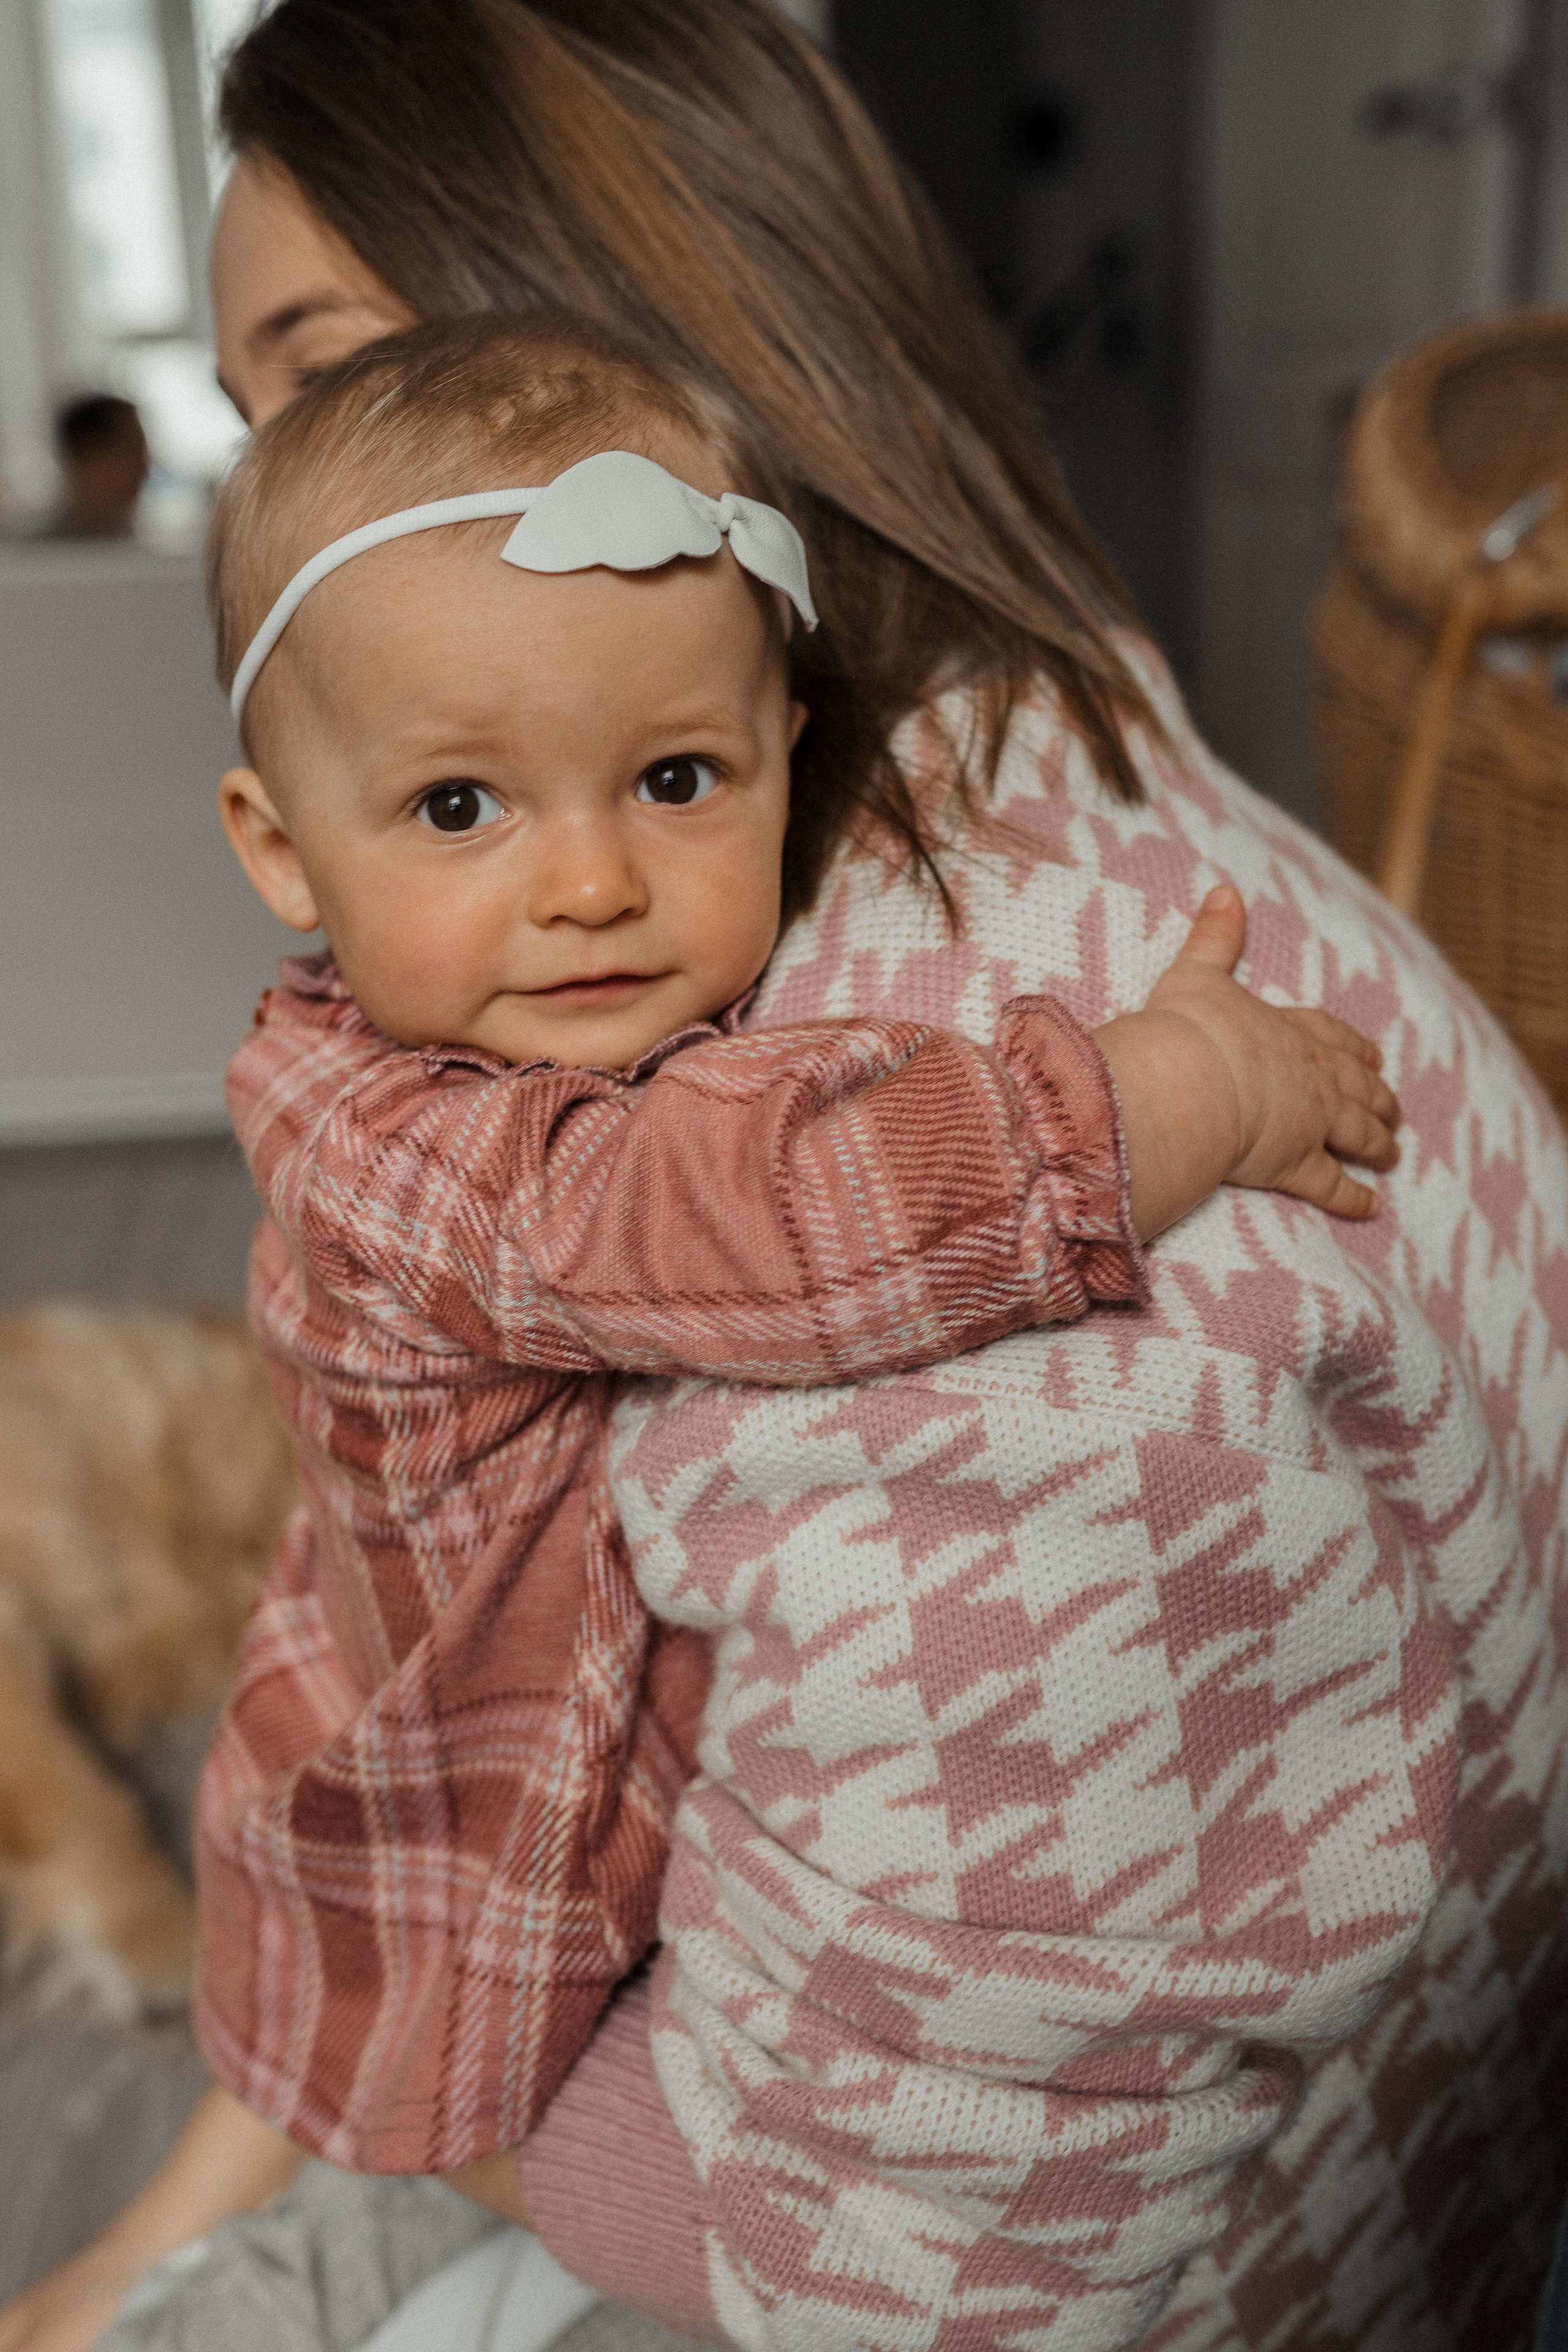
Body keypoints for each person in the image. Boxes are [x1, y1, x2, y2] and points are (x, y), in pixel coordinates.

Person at [2, 2, 1565, 2346]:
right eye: (260, 425)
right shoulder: (1036, 744)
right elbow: (414, 1661)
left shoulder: (930, 1211)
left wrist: (445, 2097)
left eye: (325, 383)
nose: (285, 513)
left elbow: (900, 2276)